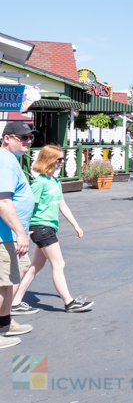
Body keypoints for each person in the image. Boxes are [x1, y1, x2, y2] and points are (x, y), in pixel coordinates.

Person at [11, 146, 93, 313]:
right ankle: (69, 303)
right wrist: (23, 230)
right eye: (59, 159)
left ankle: (15, 302)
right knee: (59, 264)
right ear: (49, 160)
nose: (62, 162)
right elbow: (27, 205)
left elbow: (62, 204)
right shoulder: (40, 182)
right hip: (41, 227)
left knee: (36, 266)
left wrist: (75, 224)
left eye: (63, 159)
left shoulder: (55, 181)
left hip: (48, 227)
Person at [0, 122, 37, 348]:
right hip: (4, 235)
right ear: (7, 138)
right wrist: (21, 233)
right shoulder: (5, 162)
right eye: (23, 138)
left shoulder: (10, 160)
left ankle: (4, 323)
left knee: (13, 277)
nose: (28, 141)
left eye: (30, 138)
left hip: (10, 235)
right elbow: (3, 202)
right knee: (2, 284)